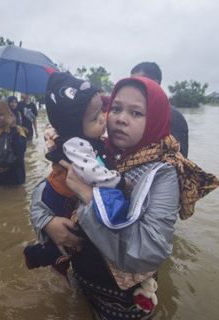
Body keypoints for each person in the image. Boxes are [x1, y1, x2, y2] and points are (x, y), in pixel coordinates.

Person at [30, 76, 219, 318]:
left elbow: (149, 251)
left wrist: (88, 197)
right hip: (81, 277)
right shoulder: (95, 148)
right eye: (116, 108)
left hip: (120, 302)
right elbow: (42, 192)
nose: (121, 118)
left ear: (155, 120)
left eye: (136, 113)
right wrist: (48, 223)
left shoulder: (162, 173)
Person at [23, 72, 131, 278]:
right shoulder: (78, 144)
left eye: (137, 113)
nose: (105, 118)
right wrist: (121, 181)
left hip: (109, 265)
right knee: (69, 242)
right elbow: (92, 173)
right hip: (63, 201)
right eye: (115, 109)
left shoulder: (156, 166)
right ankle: (39, 256)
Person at [130, 62, 189, 157]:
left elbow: (180, 158)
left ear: (155, 83)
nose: (131, 88)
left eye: (137, 83)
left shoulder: (173, 116)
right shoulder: (135, 112)